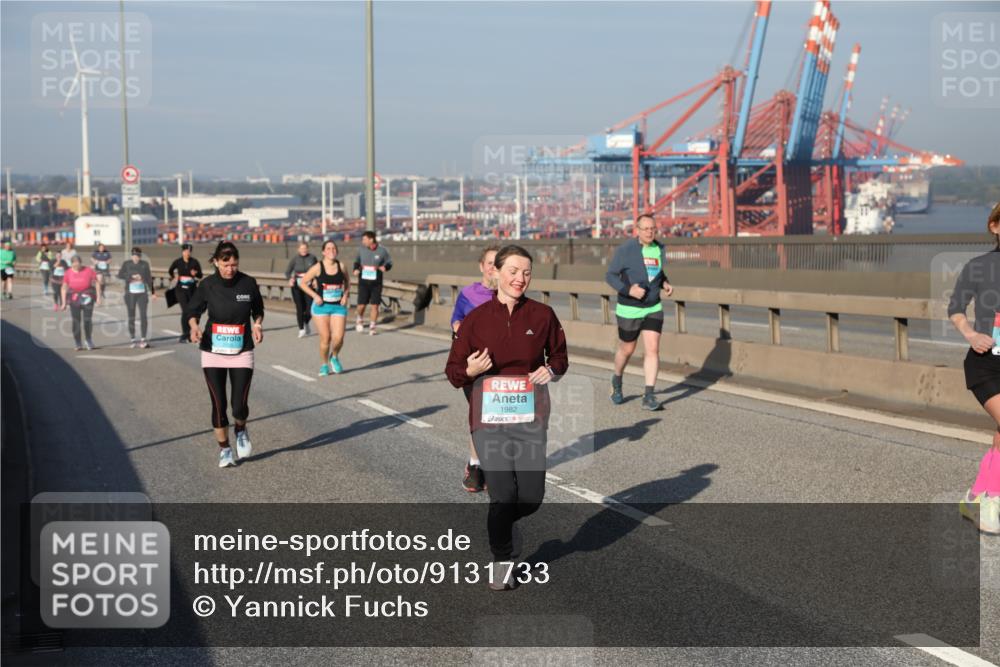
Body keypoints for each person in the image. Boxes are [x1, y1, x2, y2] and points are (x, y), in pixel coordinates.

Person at [445, 245, 568, 590]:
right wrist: (470, 370)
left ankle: (500, 524)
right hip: (489, 420)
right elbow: (453, 372)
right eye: (513, 271)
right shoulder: (476, 320)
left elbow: (560, 357)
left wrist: (550, 370)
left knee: (530, 498)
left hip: (530, 418)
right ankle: (502, 559)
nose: (520, 278)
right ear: (496, 272)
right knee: (502, 495)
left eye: (526, 272)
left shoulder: (543, 315)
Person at [186, 241, 264, 468]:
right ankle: (225, 450)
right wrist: (194, 326)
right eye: (226, 264)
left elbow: (258, 309)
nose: (230, 269)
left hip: (242, 350)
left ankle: (240, 428)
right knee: (218, 404)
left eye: (234, 265)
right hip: (213, 351)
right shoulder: (207, 285)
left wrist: (257, 324)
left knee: (239, 405)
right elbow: (193, 311)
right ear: (216, 262)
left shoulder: (248, 283)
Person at [948, 201, 1000, 534]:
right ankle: (992, 500)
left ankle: (974, 496)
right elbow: (956, 307)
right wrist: (970, 334)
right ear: (995, 227)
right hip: (986, 364)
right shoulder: (978, 267)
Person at [605, 213, 674, 411]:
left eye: (653, 229)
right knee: (627, 349)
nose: (650, 232)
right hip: (629, 308)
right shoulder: (625, 250)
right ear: (637, 230)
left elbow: (656, 273)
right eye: (646, 229)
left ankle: (649, 395)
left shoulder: (659, 248)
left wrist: (665, 282)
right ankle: (617, 380)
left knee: (653, 349)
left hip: (653, 306)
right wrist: (629, 290)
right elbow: (610, 276)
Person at [450, 245, 500, 493]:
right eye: (490, 263)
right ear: (482, 266)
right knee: (481, 413)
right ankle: (475, 466)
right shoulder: (468, 294)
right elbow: (456, 320)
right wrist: (462, 331)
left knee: (497, 417)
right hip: (474, 365)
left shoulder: (510, 295)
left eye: (498, 263)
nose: (493, 268)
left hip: (501, 366)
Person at [298, 240, 350, 376]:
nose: (331, 250)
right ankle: (324, 364)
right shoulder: (317, 267)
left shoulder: (341, 266)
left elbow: (347, 282)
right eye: (328, 248)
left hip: (338, 306)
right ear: (323, 252)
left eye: (334, 248)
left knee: (339, 338)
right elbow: (303, 283)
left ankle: (334, 356)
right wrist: (315, 296)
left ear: (337, 251)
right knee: (326, 338)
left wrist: (345, 295)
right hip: (321, 307)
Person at [353, 231, 392, 335]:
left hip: (376, 282)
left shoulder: (382, 250)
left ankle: (372, 326)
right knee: (361, 306)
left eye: (364, 239)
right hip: (363, 282)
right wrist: (355, 269)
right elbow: (356, 261)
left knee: (375, 305)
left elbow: (389, 262)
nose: (363, 241)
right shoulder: (361, 250)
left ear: (371, 239)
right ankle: (359, 318)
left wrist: (385, 267)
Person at [117, 246, 157, 348]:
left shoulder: (144, 264)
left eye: (138, 256)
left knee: (143, 315)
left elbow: (149, 279)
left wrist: (153, 292)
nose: (136, 258)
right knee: (131, 316)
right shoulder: (127, 264)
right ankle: (133, 339)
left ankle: (143, 339)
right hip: (130, 294)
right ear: (132, 256)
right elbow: (120, 275)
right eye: (134, 256)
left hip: (142, 293)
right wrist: (131, 277)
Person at [61, 254, 101, 351]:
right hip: (74, 298)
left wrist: (98, 297)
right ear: (71, 264)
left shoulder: (88, 270)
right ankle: (78, 342)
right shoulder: (68, 273)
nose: (76, 266)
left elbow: (97, 283)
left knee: (87, 320)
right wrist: (63, 303)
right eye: (74, 264)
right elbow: (64, 287)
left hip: (88, 297)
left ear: (81, 263)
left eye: (77, 264)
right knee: (76, 321)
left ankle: (88, 340)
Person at [168, 243, 204, 343]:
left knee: (193, 310)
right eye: (186, 251)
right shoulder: (178, 262)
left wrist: (196, 273)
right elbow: (170, 270)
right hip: (180, 290)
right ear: (182, 252)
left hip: (192, 289)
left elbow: (200, 275)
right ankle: (185, 334)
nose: (187, 253)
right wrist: (174, 276)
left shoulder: (194, 262)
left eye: (189, 251)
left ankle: (192, 331)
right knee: (186, 310)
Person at [284, 242, 318, 338]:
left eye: (305, 248)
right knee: (300, 307)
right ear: (298, 249)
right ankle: (301, 329)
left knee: (310, 308)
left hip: (309, 286)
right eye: (302, 249)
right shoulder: (295, 259)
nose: (304, 250)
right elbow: (287, 272)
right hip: (297, 286)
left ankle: (306, 322)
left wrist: (316, 279)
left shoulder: (312, 258)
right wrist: (290, 279)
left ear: (308, 249)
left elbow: (318, 270)